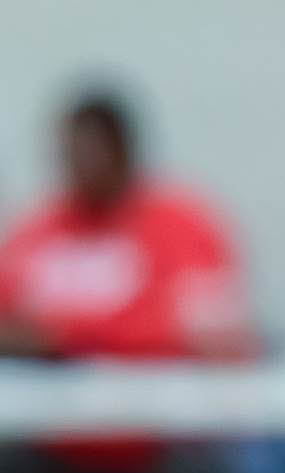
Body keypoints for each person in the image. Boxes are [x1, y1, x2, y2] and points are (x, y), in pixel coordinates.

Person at [0, 89, 255, 473]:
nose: (76, 167)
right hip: (54, 445)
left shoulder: (183, 224)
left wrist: (66, 335)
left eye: (88, 152)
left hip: (164, 444)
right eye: (67, 154)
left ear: (123, 151)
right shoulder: (38, 231)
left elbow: (206, 331)